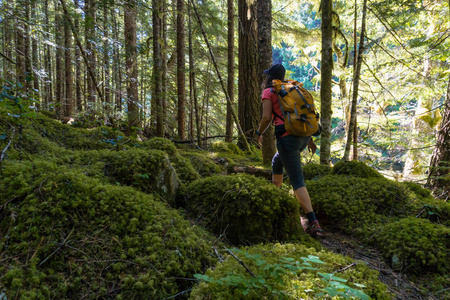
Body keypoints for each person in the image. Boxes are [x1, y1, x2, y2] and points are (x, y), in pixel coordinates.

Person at [256, 63, 324, 236]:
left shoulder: (269, 92)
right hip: (302, 138)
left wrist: (259, 133)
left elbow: (266, 118)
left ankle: (313, 221)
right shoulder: (292, 89)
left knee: (296, 180)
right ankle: (275, 194)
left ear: (269, 77)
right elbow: (301, 115)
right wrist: (309, 140)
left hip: (287, 139)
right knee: (277, 161)